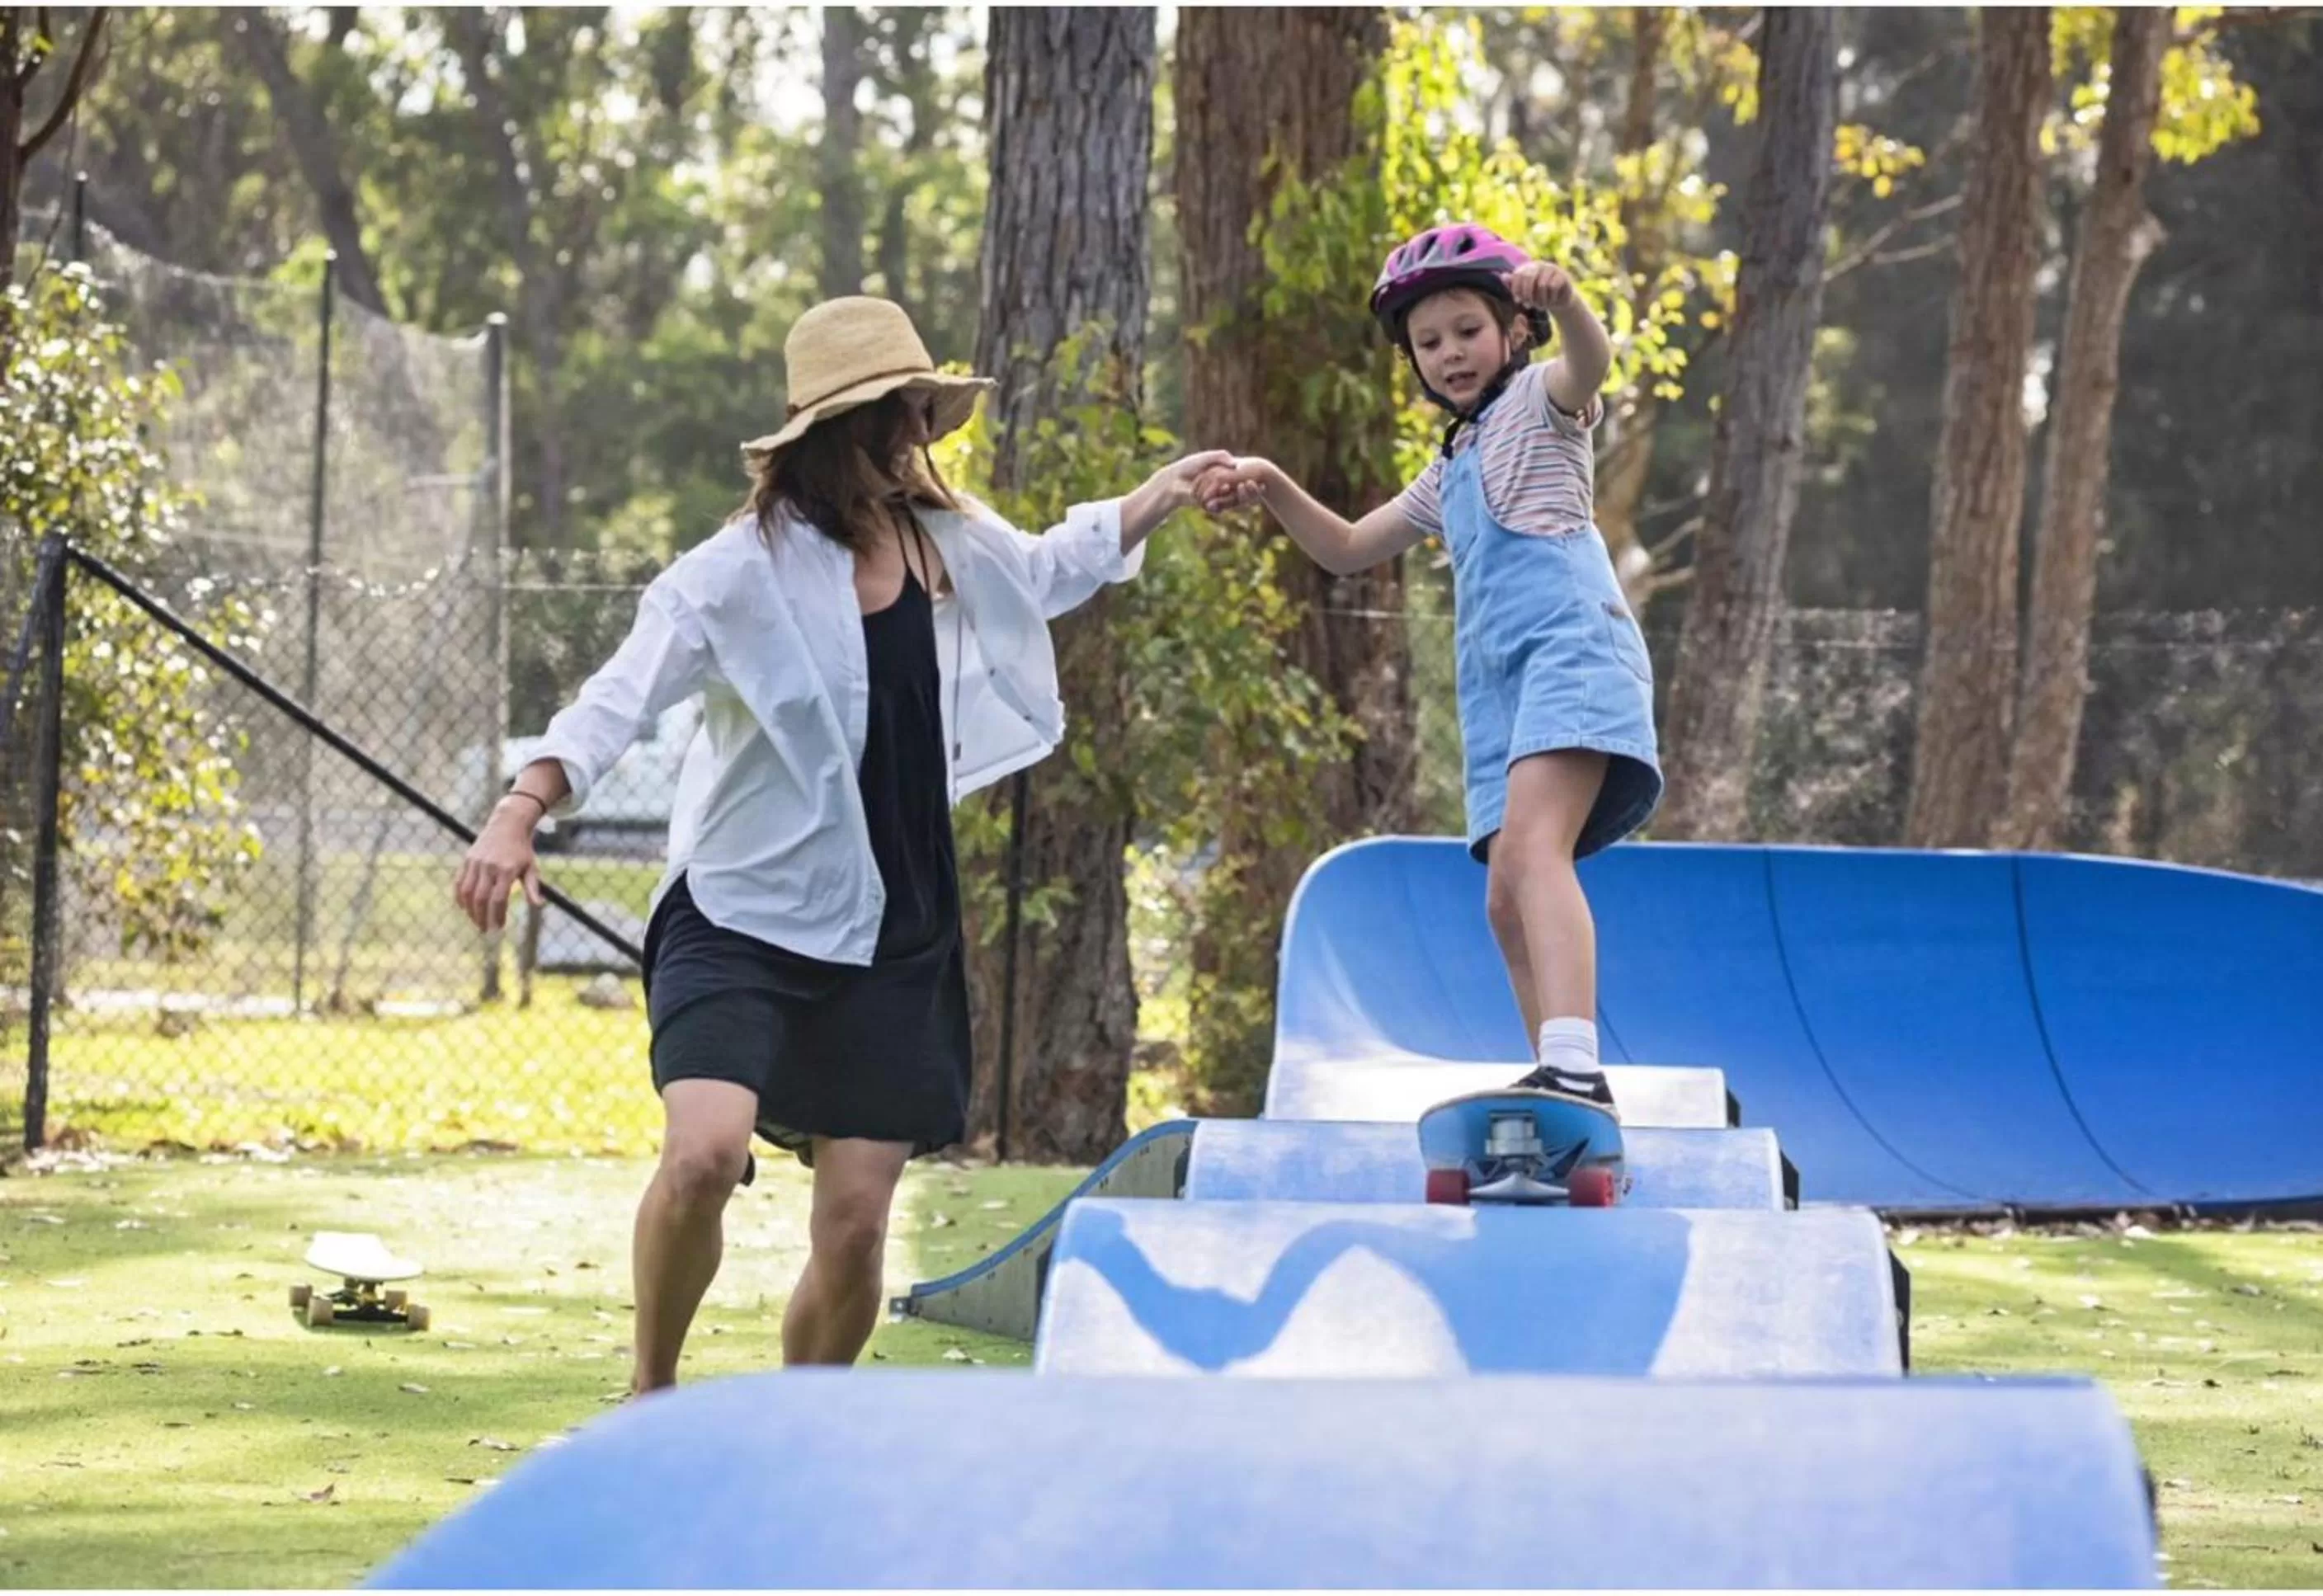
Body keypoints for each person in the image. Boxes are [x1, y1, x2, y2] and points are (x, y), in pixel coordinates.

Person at [453, 295, 1228, 1391]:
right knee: (704, 1154)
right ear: (830, 433)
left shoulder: (943, 542)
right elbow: (616, 699)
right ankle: (651, 1389)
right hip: (740, 913)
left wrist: (1163, 493)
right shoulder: (736, 571)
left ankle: (797, 1420)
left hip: (895, 924)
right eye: (892, 412)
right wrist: (519, 805)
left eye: (917, 409)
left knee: (857, 1226)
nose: (913, 431)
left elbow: (1053, 567)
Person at [1196, 224, 1661, 1111]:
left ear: (1512, 332)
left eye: (1466, 331)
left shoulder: (1541, 402)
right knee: (1501, 900)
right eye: (1428, 341)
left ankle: (1575, 1066)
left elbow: (1590, 367)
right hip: (1502, 696)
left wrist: (1566, 303)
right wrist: (1269, 481)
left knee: (1533, 854)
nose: (1448, 353)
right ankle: (1559, 1085)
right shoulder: (1446, 469)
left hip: (1571, 652)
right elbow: (1341, 549)